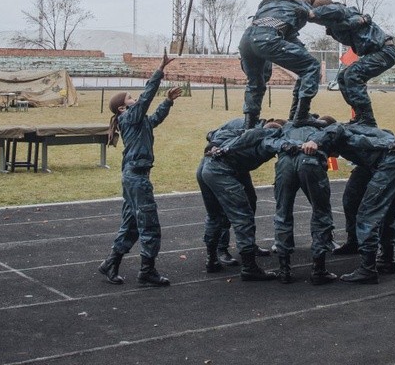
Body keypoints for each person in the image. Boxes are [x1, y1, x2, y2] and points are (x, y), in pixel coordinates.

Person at [98, 50, 183, 287]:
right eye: (129, 98)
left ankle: (110, 263)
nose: (134, 98)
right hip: (137, 178)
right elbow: (146, 98)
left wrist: (168, 101)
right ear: (122, 109)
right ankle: (147, 271)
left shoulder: (136, 120)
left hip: (133, 177)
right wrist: (160, 70)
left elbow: (154, 119)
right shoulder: (129, 117)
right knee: (149, 224)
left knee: (132, 224)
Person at [306, 120, 395, 284]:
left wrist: (316, 141)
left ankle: (368, 269)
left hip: (390, 161)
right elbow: (386, 131)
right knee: (373, 207)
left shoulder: (337, 131)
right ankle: (382, 257)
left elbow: (336, 128)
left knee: (368, 213)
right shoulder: (357, 129)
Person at [199, 122, 285, 282]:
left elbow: (214, 133)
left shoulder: (240, 130)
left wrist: (215, 145)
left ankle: (211, 259)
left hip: (208, 167)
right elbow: (251, 137)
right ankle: (249, 267)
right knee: (243, 218)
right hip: (220, 171)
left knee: (215, 216)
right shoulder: (266, 135)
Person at [308, 0, 395, 127]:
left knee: (352, 74)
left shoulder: (344, 13)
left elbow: (355, 20)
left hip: (384, 51)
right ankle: (359, 115)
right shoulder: (336, 23)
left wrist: (362, 20)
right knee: (343, 78)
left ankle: (368, 119)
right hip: (376, 52)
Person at [238, 0, 321, 128]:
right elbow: (317, 16)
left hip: (246, 39)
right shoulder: (303, 4)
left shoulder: (271, 2)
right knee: (312, 66)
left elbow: (290, 36)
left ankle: (249, 125)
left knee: (255, 83)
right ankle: (301, 115)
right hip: (267, 38)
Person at [270, 120, 337, 285]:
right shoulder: (322, 130)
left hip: (285, 163)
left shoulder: (286, 128)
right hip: (310, 160)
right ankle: (318, 269)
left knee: (282, 213)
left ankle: (284, 269)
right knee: (321, 212)